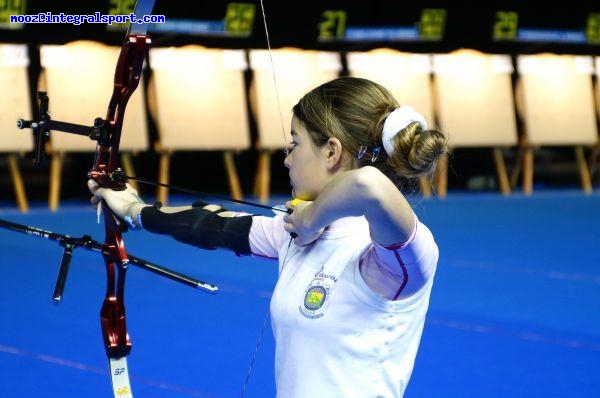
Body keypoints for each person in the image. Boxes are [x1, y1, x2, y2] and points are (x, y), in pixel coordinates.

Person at [88, 76, 448, 397]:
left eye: (295, 144)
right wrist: (134, 210)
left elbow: (368, 185)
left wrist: (311, 218)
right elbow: (215, 225)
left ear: (332, 152)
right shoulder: (294, 231)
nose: (287, 159)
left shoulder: (397, 260)